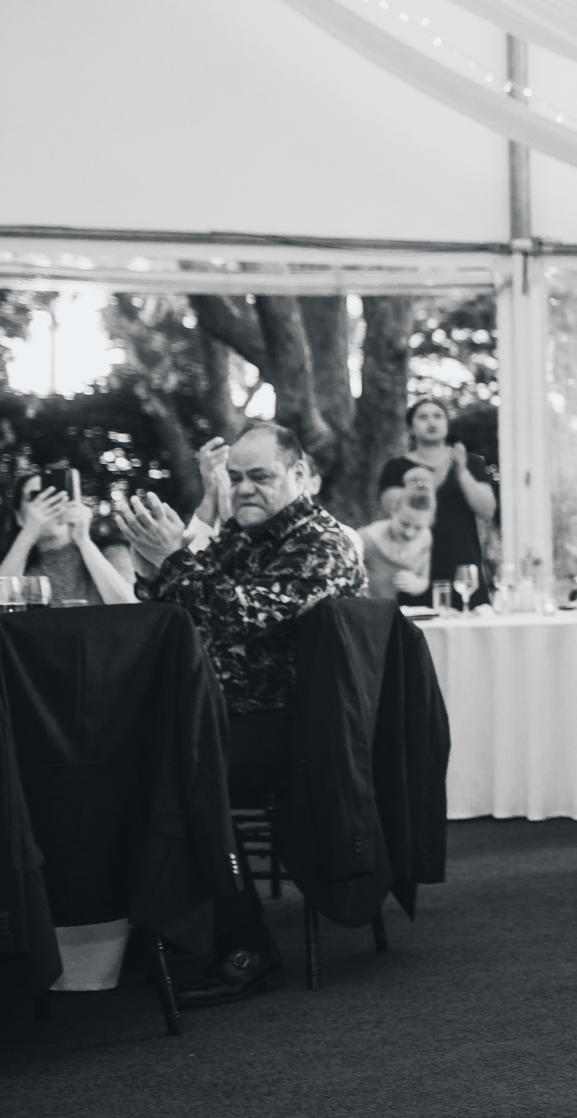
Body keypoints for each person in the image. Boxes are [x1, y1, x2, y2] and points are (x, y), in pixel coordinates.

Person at [113, 420, 366, 1007]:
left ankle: (245, 946)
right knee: (127, 752)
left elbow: (235, 617)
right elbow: (186, 613)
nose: (244, 488)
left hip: (298, 728)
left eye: (260, 476)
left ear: (300, 475)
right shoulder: (245, 536)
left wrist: (176, 559)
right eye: (235, 478)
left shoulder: (322, 545)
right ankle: (167, 926)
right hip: (235, 716)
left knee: (185, 767)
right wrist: (153, 566)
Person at [379, 399, 496, 604]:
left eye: (437, 416)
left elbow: (487, 510)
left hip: (464, 572)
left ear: (446, 424)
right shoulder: (396, 467)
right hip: (413, 571)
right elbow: (393, 508)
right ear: (411, 428)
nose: (431, 422)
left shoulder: (472, 463)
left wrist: (461, 471)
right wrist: (442, 470)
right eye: (423, 417)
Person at [0, 473, 136, 605]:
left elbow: (129, 608)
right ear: (19, 516)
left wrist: (84, 541)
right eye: (35, 497)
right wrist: (28, 533)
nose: (48, 504)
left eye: (55, 495)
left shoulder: (111, 550)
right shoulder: (10, 563)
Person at [360, 480, 436, 604]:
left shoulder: (425, 538)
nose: (409, 533)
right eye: (404, 524)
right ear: (393, 511)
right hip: (368, 613)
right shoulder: (367, 539)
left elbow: (423, 581)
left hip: (402, 614)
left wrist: (416, 584)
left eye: (418, 528)